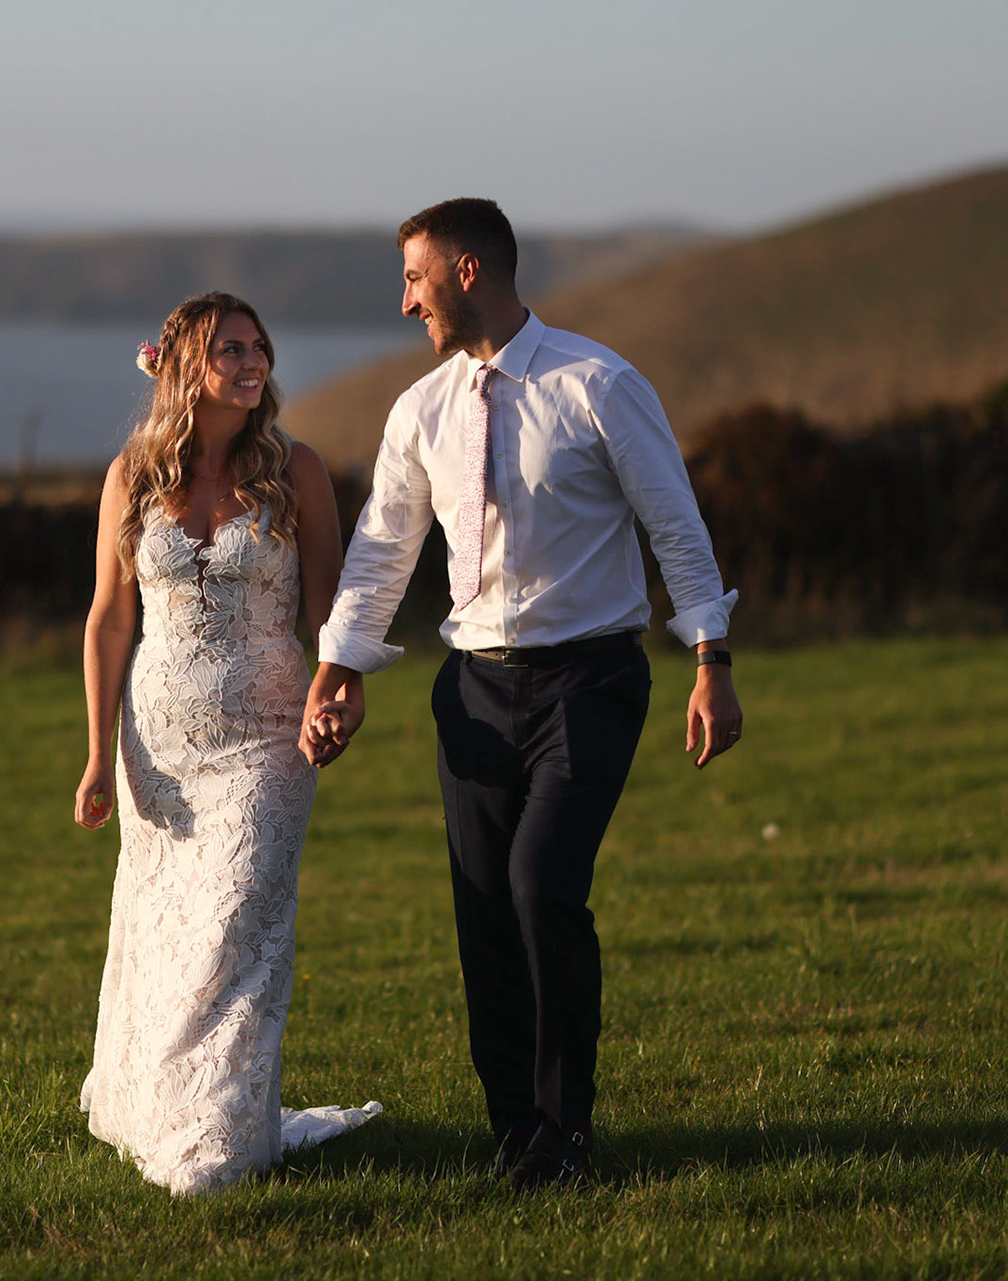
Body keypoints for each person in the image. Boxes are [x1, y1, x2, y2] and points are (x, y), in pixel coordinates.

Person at [300, 199, 743, 1191]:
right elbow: (381, 551)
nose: (404, 299)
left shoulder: (599, 384)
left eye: (415, 278)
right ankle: (516, 1137)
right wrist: (340, 668)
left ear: (466, 272)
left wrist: (711, 659)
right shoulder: (421, 411)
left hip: (590, 679)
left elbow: (674, 523)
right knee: (483, 915)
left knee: (542, 888)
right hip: (472, 694)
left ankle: (566, 1127)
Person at [74, 292, 378, 1197]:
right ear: (181, 365)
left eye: (259, 348)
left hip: (266, 742)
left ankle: (216, 1137)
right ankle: (155, 1107)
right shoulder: (133, 472)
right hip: (155, 744)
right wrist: (96, 755)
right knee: (166, 932)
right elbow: (106, 618)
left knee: (239, 924)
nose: (254, 364)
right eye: (231, 350)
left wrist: (339, 691)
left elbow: (331, 610)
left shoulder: (300, 470)